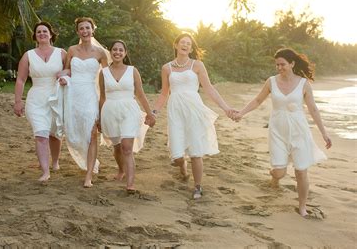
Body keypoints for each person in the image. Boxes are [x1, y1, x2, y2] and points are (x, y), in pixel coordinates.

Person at [233, 47, 331, 217]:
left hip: (299, 131)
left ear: (292, 63)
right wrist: (241, 113)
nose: (279, 67)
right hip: (277, 131)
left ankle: (302, 206)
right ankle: (274, 177)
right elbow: (257, 100)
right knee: (279, 172)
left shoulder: (303, 84)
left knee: (301, 171)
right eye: (277, 65)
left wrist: (324, 133)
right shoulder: (271, 82)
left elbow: (313, 109)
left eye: (282, 64)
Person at [152, 33, 236, 199]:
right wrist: (154, 112)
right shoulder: (166, 68)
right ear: (176, 45)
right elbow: (163, 94)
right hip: (175, 109)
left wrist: (226, 108)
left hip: (194, 108)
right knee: (176, 154)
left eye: (188, 44)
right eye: (182, 42)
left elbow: (210, 89)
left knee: (196, 151)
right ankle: (182, 167)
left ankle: (198, 186)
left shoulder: (197, 65)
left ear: (191, 48)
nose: (185, 45)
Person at [99, 40, 156, 193]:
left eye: (120, 50)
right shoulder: (103, 73)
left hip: (129, 110)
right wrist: (99, 118)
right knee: (117, 147)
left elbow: (140, 94)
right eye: (114, 50)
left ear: (125, 53)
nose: (117, 52)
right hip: (110, 111)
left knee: (127, 147)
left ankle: (130, 184)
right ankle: (121, 170)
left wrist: (150, 114)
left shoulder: (132, 71)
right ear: (110, 52)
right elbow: (102, 97)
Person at [14, 21, 66, 182]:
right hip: (36, 98)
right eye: (38, 32)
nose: (42, 34)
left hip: (57, 96)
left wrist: (65, 73)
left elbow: (72, 71)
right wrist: (18, 101)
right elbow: (21, 79)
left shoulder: (62, 53)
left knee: (55, 134)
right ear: (35, 36)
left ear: (51, 34)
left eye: (45, 31)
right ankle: (45, 171)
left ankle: (55, 161)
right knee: (41, 134)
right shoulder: (28, 55)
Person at [59, 17, 108, 188]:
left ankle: (88, 175)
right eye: (81, 28)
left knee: (91, 131)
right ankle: (86, 159)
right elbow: (68, 69)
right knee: (76, 132)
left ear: (93, 29)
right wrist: (63, 77)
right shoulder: (72, 50)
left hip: (89, 93)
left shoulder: (101, 53)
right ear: (78, 31)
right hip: (73, 93)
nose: (85, 31)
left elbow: (106, 77)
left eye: (88, 27)